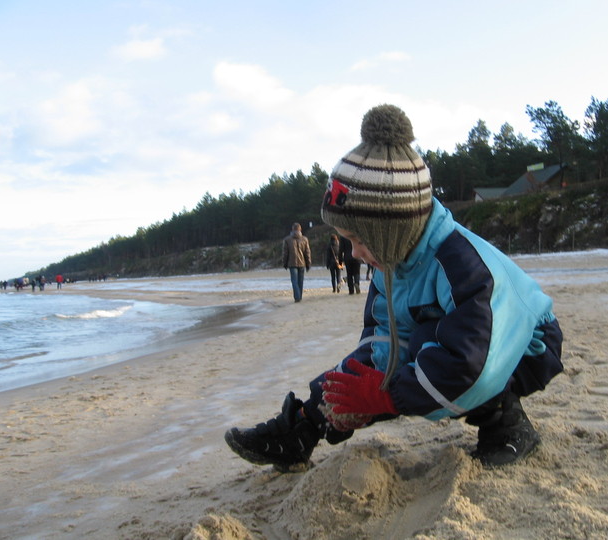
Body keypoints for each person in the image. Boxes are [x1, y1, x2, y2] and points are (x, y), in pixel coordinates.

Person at [225, 104, 563, 472]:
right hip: (465, 345)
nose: (353, 253)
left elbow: (473, 361)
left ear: (392, 231)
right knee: (397, 357)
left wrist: (385, 397)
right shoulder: (392, 263)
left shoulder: (462, 265)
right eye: (346, 240)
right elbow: (382, 345)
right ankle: (301, 431)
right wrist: (337, 401)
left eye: (358, 239)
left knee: (429, 348)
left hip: (524, 345)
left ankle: (508, 425)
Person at [282, 223, 311, 302]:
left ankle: (297, 297)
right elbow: (307, 252)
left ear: (292, 229)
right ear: (300, 229)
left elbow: (285, 253)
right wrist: (308, 263)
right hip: (302, 263)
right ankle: (299, 296)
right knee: (300, 281)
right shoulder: (305, 239)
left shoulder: (287, 240)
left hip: (292, 263)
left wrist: (284, 263)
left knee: (294, 281)